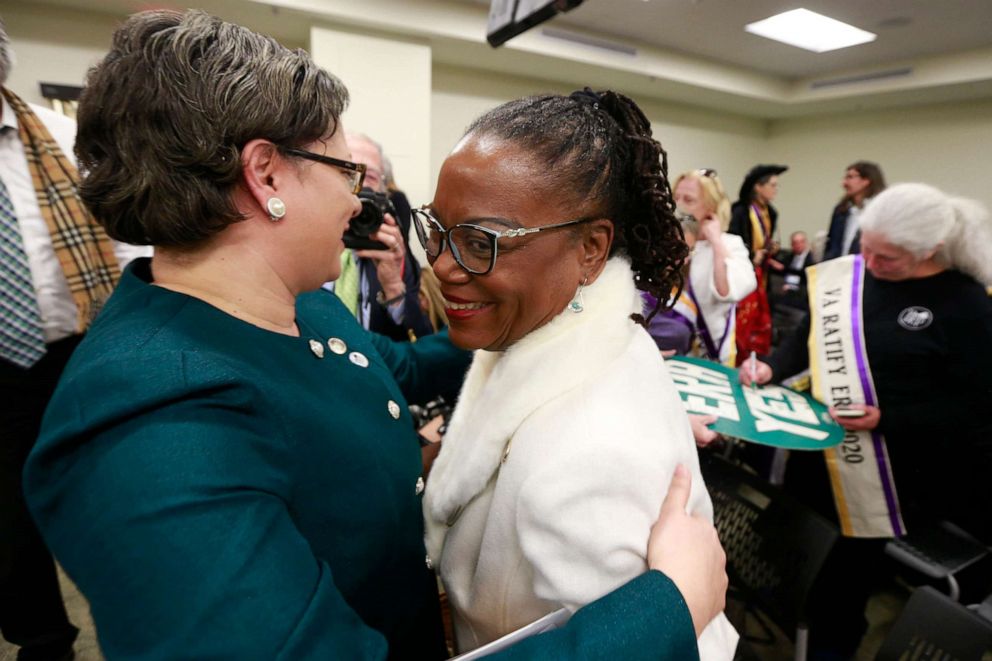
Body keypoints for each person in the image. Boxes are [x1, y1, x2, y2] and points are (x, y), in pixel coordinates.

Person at [23, 12, 727, 659]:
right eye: (344, 171)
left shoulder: (299, 306)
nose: (358, 199)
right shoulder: (149, 426)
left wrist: (587, 362)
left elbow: (406, 370)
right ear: (266, 173)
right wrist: (668, 607)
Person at [419, 90, 738, 659]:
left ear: (591, 248)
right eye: (437, 230)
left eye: (480, 242)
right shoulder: (560, 335)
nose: (441, 265)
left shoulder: (582, 461)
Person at [740, 183, 992, 657]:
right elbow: (810, 335)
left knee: (841, 589)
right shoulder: (853, 274)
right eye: (866, 250)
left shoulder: (967, 305)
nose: (870, 266)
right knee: (790, 560)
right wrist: (773, 364)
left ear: (930, 250)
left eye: (887, 259)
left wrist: (888, 418)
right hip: (815, 456)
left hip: (887, 476)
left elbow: (975, 406)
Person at [0, 17, 147, 661]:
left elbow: (121, 239)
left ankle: (134, 603)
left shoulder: (58, 135)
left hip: (75, 347)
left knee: (103, 484)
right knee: (8, 510)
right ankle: (43, 638)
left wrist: (125, 336)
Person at [325, 132, 434, 341]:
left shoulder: (394, 253)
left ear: (383, 190)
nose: (359, 187)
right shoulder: (303, 242)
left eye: (371, 178)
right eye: (348, 173)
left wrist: (393, 287)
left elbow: (419, 344)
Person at [655, 169, 755, 366]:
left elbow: (726, 291)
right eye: (675, 197)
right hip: (666, 350)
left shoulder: (730, 244)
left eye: (689, 200)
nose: (678, 206)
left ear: (712, 207)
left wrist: (716, 241)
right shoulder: (662, 240)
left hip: (709, 355)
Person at [728, 164, 787, 362]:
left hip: (763, 275)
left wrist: (770, 251)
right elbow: (732, 241)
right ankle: (738, 357)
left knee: (760, 320)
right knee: (742, 320)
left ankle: (756, 358)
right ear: (758, 187)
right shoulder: (740, 211)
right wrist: (753, 255)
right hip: (745, 271)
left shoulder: (771, 212)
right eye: (772, 185)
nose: (775, 190)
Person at [823, 161, 886, 261]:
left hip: (869, 272)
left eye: (850, 177)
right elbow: (831, 245)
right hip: (840, 271)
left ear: (866, 181)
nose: (844, 183)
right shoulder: (840, 211)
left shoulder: (883, 211)